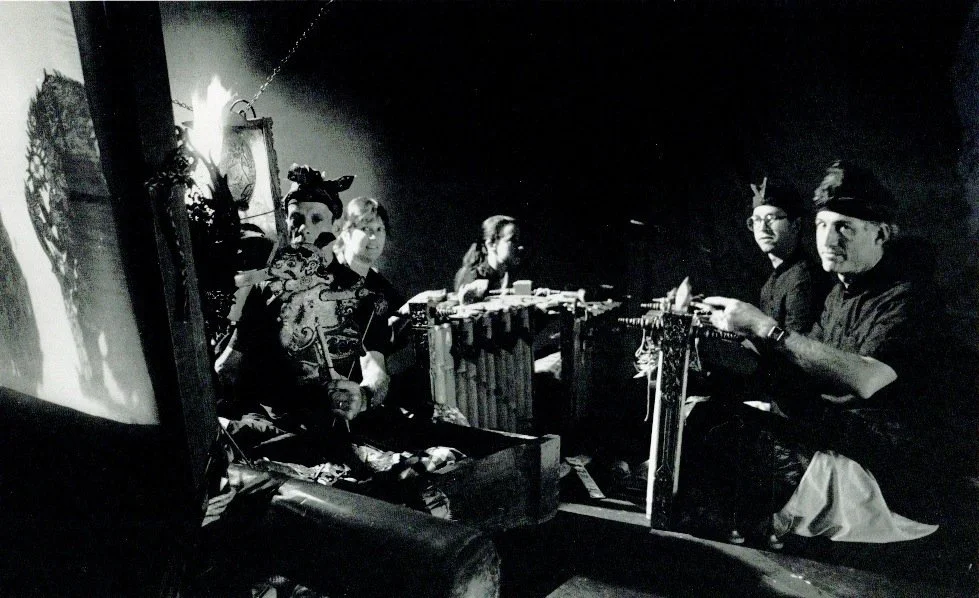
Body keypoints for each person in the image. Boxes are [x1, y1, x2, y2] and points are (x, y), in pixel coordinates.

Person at [699, 160, 947, 544]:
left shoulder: (909, 297)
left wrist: (766, 328)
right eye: (822, 226)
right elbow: (800, 370)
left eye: (844, 227)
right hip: (842, 438)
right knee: (707, 414)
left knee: (731, 442)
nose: (828, 241)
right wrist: (720, 339)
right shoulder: (839, 292)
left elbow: (865, 379)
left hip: (887, 476)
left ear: (880, 234)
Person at [214, 164, 391, 464]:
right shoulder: (266, 290)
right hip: (277, 429)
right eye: (296, 219)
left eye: (316, 219)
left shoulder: (360, 293)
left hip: (336, 428)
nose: (305, 228)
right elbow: (230, 366)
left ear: (335, 227)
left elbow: (377, 371)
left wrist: (363, 396)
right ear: (287, 224)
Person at [747, 177, 827, 333]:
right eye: (756, 220)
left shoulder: (803, 278)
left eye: (771, 219)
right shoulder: (771, 283)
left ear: (796, 225)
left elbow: (796, 352)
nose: (762, 228)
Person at [453, 215, 521, 302]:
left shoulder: (510, 275)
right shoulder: (473, 278)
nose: (520, 247)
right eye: (513, 240)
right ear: (491, 244)